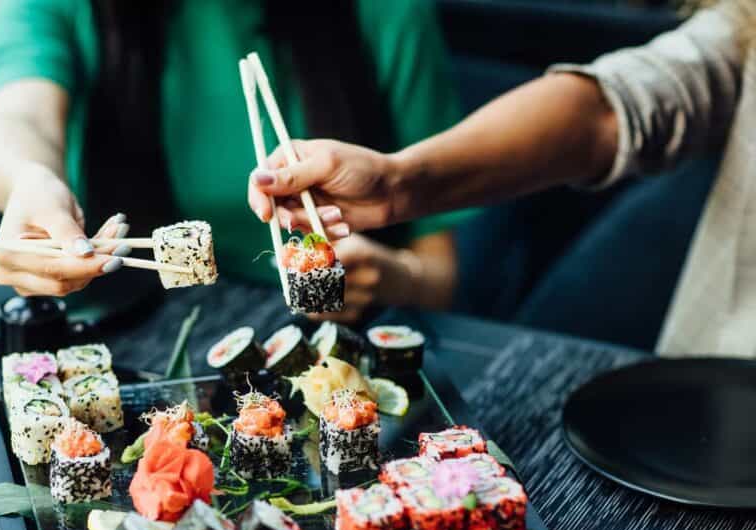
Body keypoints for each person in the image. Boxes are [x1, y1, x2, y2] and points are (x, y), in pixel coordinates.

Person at [248, 1, 756, 357]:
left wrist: (400, 268)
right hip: (708, 389)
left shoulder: (384, 17)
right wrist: (394, 184)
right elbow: (617, 108)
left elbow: (440, 278)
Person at [0, 0, 474, 320]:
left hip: (330, 340)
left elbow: (439, 276)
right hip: (123, 320)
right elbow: (21, 117)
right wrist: (29, 180)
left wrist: (394, 277)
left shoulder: (387, 12)